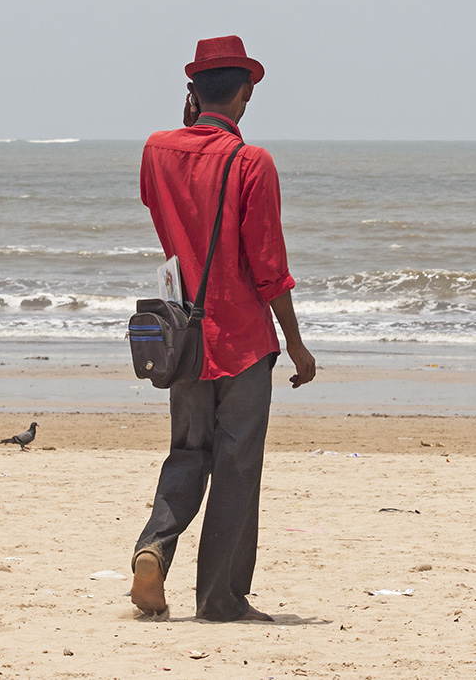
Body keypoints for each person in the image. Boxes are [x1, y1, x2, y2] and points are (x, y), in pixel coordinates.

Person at [130, 35, 316, 623]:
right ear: (245, 92)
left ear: (193, 93)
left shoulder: (156, 149)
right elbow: (269, 267)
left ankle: (153, 548)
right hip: (241, 340)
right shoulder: (251, 161)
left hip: (182, 337)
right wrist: (295, 342)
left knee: (187, 452)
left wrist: (186, 127)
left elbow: (161, 212)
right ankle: (220, 598)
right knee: (237, 465)